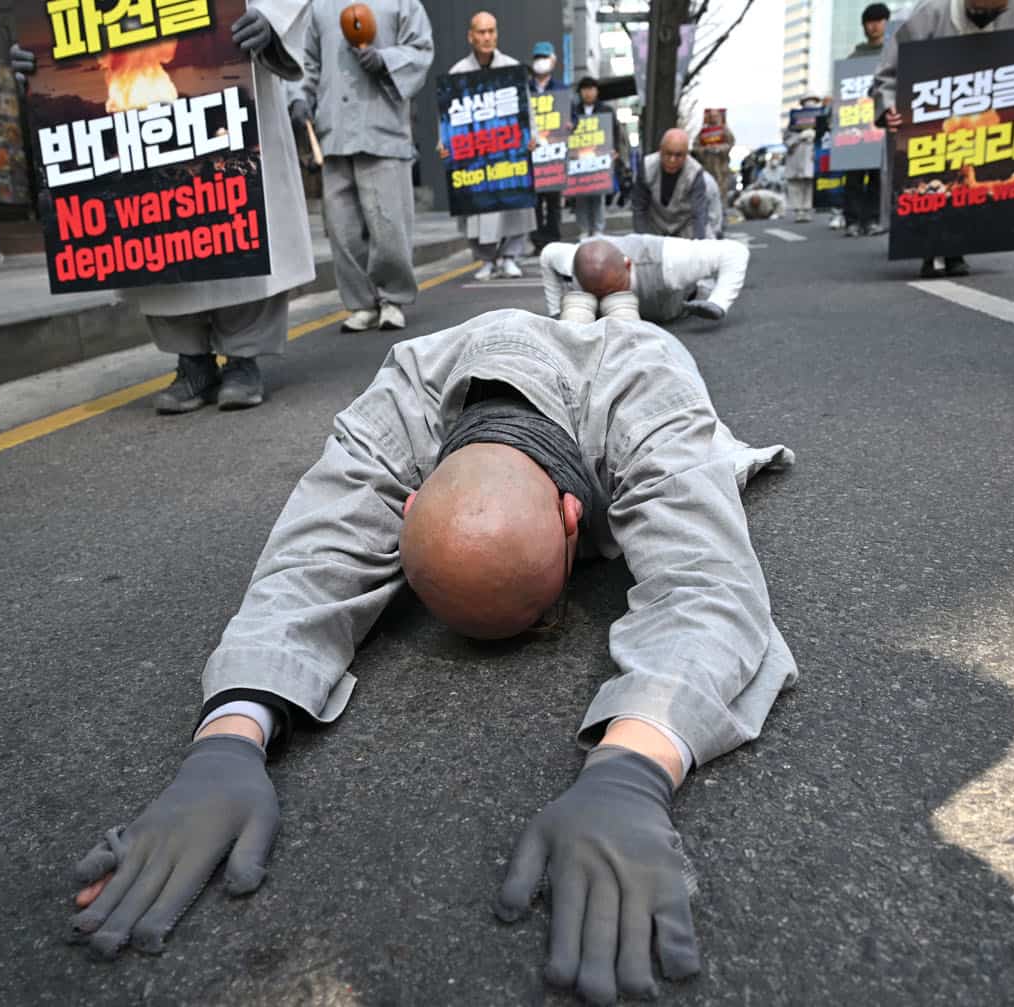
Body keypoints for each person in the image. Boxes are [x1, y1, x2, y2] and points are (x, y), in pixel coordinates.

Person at [66, 304, 797, 1007]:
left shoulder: (647, 386)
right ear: (408, 504)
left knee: (617, 310)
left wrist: (636, 765)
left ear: (575, 518)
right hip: (483, 359)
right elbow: (309, 565)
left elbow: (710, 587)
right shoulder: (400, 406)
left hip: (614, 359)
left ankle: (601, 300)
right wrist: (227, 738)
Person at [133, 2, 315, 413]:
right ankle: (191, 359)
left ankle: (242, 357)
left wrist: (272, 17)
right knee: (156, 217)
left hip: (232, 57)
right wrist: (45, 53)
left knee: (241, 208)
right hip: (137, 58)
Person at [873, 0, 1014, 277]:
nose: (985, 17)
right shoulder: (930, 13)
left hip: (990, 107)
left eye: (995, 12)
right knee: (937, 176)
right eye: (979, 11)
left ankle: (958, 248)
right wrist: (888, 107)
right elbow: (889, 71)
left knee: (973, 178)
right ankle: (930, 249)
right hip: (934, 109)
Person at [291, 0, 433, 333]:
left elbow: (421, 48)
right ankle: (361, 303)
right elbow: (305, 60)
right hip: (333, 130)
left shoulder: (402, 3)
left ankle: (392, 299)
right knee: (342, 229)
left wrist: (386, 59)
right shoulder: (318, 7)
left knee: (388, 225)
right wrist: (298, 96)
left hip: (382, 128)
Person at [438, 12, 537, 281]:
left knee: (514, 203)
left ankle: (510, 257)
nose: (487, 37)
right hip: (474, 153)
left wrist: (532, 135)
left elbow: (526, 108)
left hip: (507, 150)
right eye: (481, 32)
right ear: (470, 36)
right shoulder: (458, 73)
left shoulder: (512, 68)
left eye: (491, 31)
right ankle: (486, 259)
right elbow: (447, 117)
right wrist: (444, 143)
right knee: (475, 207)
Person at [539, 234, 749, 324]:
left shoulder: (670, 261)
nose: (608, 302)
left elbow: (735, 251)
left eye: (614, 291)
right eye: (597, 294)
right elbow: (547, 254)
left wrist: (719, 303)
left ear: (628, 266)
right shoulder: (572, 260)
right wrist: (556, 312)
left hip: (675, 304)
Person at [842, 3, 890, 237]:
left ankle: (871, 219)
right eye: (870, 22)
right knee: (853, 175)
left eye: (879, 21)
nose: (874, 26)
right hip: (855, 124)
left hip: (880, 121)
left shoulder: (892, 52)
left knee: (876, 175)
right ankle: (851, 220)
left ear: (886, 23)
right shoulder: (855, 56)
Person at [633, 127, 722, 239]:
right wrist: (644, 240)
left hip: (685, 226)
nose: (672, 160)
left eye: (678, 155)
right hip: (655, 225)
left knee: (707, 244)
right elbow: (639, 208)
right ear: (660, 150)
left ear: (686, 155)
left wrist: (699, 246)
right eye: (668, 154)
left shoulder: (695, 173)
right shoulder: (647, 166)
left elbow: (699, 215)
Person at [527, 41, 565, 251]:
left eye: (544, 57)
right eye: (537, 58)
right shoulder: (525, 88)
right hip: (532, 154)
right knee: (534, 202)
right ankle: (538, 242)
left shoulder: (561, 89)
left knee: (553, 202)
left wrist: (571, 123)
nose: (540, 62)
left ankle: (553, 240)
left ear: (553, 60)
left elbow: (573, 116)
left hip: (554, 155)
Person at [569, 76, 618, 238]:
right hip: (579, 158)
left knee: (598, 193)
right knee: (581, 194)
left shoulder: (606, 110)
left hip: (599, 157)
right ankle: (584, 229)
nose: (588, 93)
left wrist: (615, 150)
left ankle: (598, 228)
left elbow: (615, 132)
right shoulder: (573, 112)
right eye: (585, 89)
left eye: (591, 89)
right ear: (580, 92)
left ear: (597, 91)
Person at [783, 96, 820, 224]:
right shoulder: (793, 122)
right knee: (796, 184)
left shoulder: (820, 119)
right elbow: (786, 139)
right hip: (797, 153)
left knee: (809, 183)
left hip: (811, 153)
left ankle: (807, 209)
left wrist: (815, 136)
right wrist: (798, 138)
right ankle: (798, 210)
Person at [690, 108, 734, 199]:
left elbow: (730, 144)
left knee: (720, 192)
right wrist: (705, 149)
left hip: (720, 169)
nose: (713, 118)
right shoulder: (703, 131)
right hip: (706, 166)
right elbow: (695, 147)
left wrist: (719, 148)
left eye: (715, 116)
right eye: (711, 116)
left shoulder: (724, 130)